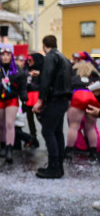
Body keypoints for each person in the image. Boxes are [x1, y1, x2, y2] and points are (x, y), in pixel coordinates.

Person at [33, 35, 73, 179]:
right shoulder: (63, 58)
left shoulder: (50, 57)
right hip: (63, 99)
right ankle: (58, 166)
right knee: (57, 132)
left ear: (44, 45)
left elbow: (47, 78)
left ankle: (53, 166)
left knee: (48, 131)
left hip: (55, 99)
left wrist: (40, 99)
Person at [0, 45, 27, 164]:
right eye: (3, 55)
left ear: (11, 56)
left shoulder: (18, 70)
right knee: (1, 125)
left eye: (8, 55)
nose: (5, 57)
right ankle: (2, 145)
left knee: (10, 124)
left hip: (12, 98)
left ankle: (9, 148)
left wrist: (24, 100)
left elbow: (23, 87)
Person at [64, 59, 100, 163]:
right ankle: (93, 153)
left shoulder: (73, 75)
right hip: (93, 96)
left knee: (74, 127)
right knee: (91, 128)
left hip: (78, 96)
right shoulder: (94, 75)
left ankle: (68, 152)